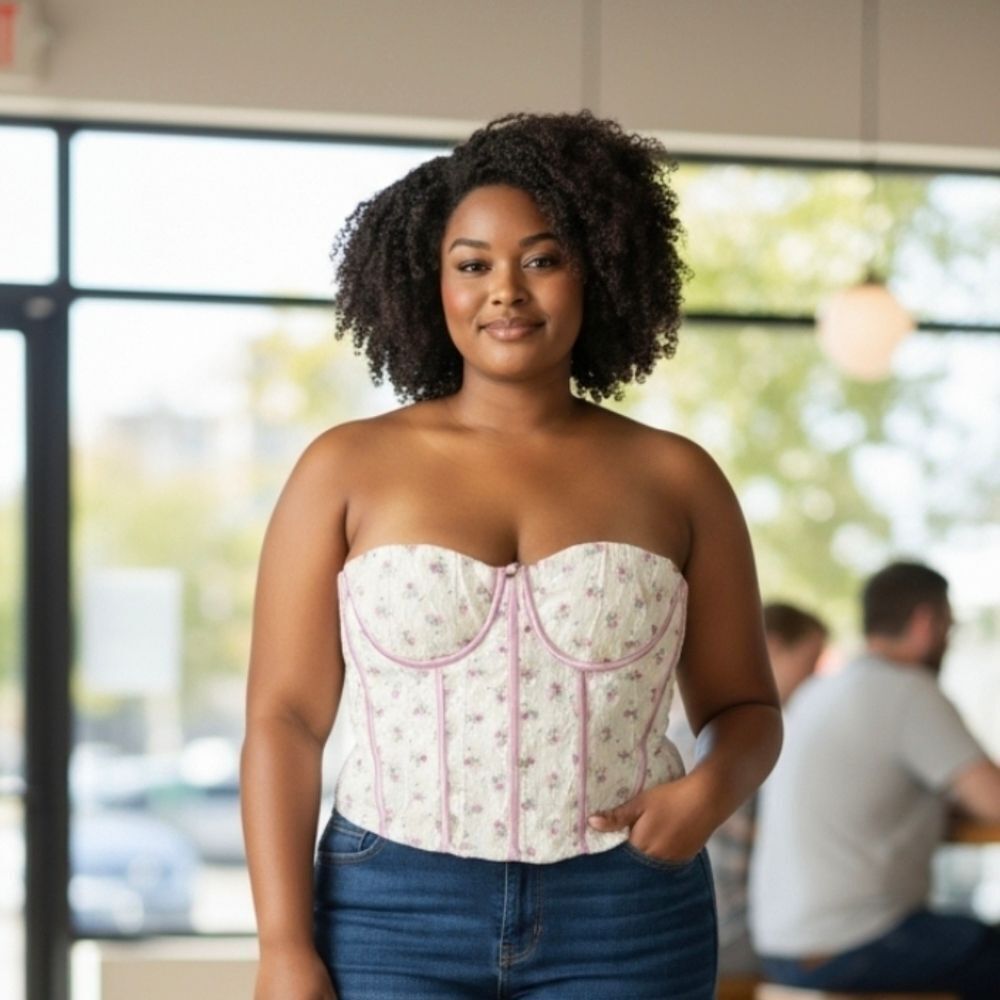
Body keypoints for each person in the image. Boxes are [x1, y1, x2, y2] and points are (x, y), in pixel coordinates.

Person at [241, 111, 782, 1000]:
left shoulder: (678, 478)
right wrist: (281, 945)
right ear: (432, 281)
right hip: (387, 909)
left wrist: (710, 791)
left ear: (597, 270)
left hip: (628, 913)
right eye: (473, 264)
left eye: (542, 257)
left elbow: (747, 706)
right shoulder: (343, 467)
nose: (507, 290)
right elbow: (285, 721)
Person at [750, 561, 1000, 999]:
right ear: (926, 621)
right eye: (950, 627)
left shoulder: (820, 691)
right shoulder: (907, 688)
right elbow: (993, 801)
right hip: (851, 945)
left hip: (780, 945)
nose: (949, 640)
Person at [702, 602, 827, 978]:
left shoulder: (703, 718)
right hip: (731, 931)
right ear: (772, 647)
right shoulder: (751, 737)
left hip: (714, 923)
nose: (813, 678)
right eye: (810, 662)